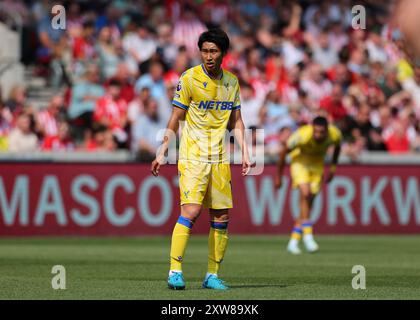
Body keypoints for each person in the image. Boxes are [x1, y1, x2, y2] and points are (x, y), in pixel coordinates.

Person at [150, 28, 251, 290]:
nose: (208, 56)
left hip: (219, 157)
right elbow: (175, 117)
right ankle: (174, 270)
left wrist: (247, 152)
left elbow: (236, 121)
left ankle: (212, 275)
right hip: (193, 154)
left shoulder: (231, 83)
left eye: (213, 51)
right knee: (191, 211)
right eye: (204, 51)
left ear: (223, 54)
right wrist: (163, 150)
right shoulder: (189, 78)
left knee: (221, 217)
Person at [275, 116, 342, 254]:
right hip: (300, 163)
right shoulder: (302, 135)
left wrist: (333, 169)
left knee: (307, 204)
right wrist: (278, 176)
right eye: (315, 131)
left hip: (317, 166)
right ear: (312, 128)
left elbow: (337, 148)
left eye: (321, 132)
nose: (318, 135)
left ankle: (293, 241)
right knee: (305, 193)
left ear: (327, 130)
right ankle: (308, 235)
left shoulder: (335, 134)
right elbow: (283, 153)